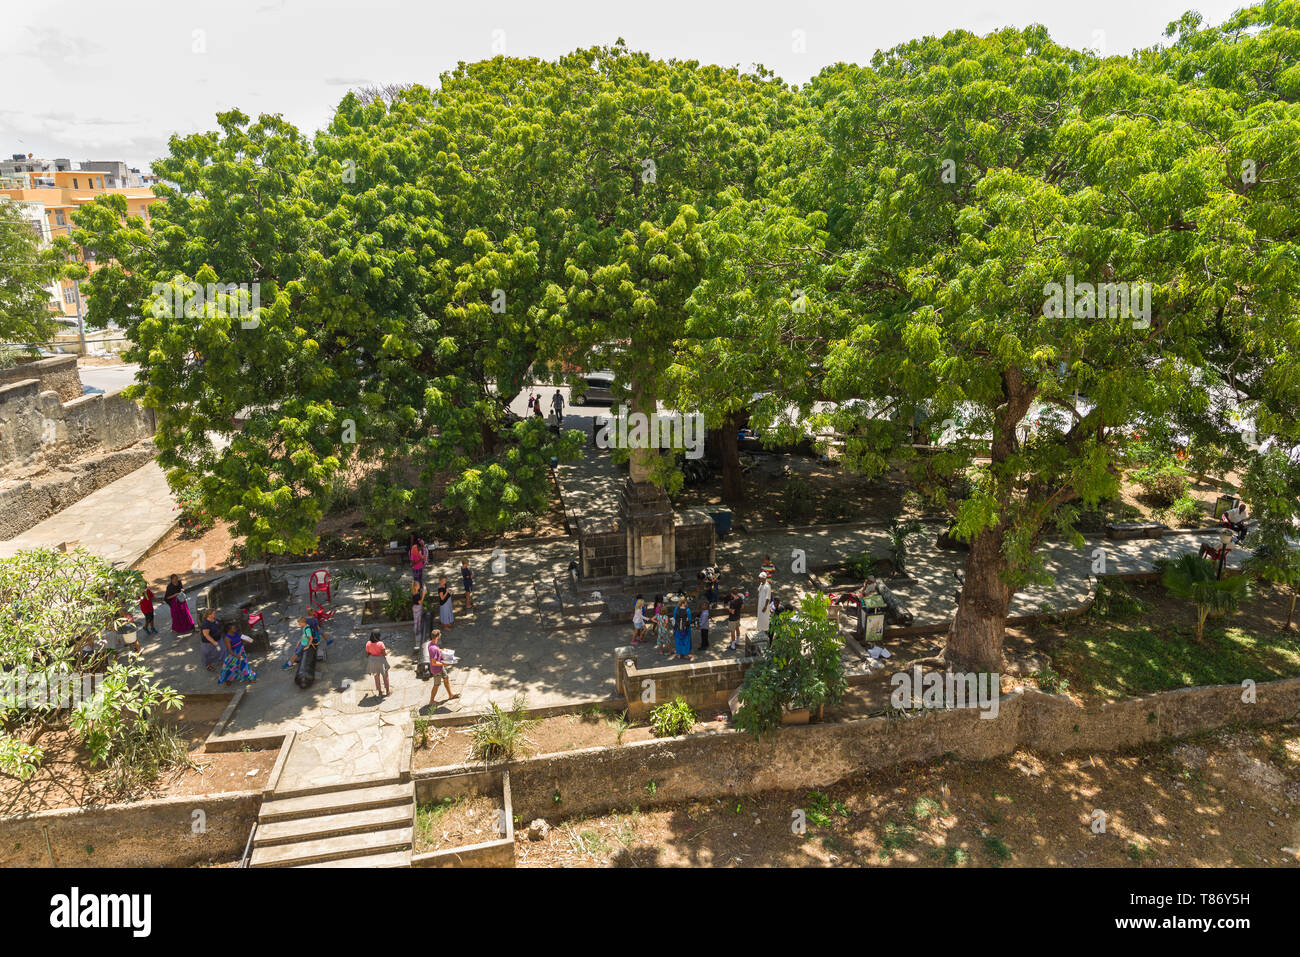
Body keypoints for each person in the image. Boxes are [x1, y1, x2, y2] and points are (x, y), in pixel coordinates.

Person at [218, 621, 258, 686]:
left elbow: (239, 640)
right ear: (229, 630)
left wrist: (246, 640)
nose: (236, 629)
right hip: (233, 654)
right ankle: (226, 679)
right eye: (234, 628)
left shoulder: (236, 633)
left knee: (244, 665)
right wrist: (237, 656)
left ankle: (250, 678)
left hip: (241, 652)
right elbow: (229, 650)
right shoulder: (227, 638)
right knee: (229, 668)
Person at [427, 629, 459, 706]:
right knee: (436, 685)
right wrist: (444, 664)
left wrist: (442, 650)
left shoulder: (432, 643)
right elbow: (433, 663)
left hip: (440, 667)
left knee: (446, 678)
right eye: (440, 634)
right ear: (437, 636)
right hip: (437, 670)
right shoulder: (433, 649)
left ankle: (450, 694)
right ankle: (431, 701)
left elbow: (437, 650)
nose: (441, 634)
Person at [365, 630, 392, 697]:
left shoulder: (368, 643)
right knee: (385, 676)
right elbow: (384, 654)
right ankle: (388, 691)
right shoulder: (380, 643)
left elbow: (367, 654)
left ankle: (380, 692)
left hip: (373, 662)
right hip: (381, 661)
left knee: (376, 677)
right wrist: (388, 651)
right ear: (378, 636)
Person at [755, 572, 773, 642]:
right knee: (760, 619)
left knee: (765, 620)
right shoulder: (761, 584)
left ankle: (766, 636)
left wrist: (765, 607)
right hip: (760, 605)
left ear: (763, 578)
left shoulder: (767, 586)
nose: (759, 579)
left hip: (764, 606)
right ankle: (761, 632)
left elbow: (767, 598)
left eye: (760, 578)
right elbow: (759, 592)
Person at [726, 588, 744, 652]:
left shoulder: (732, 602)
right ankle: (737, 641)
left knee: (732, 631)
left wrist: (728, 608)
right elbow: (742, 606)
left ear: (732, 594)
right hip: (738, 617)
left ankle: (733, 645)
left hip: (732, 618)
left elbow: (732, 611)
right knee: (737, 628)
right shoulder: (740, 599)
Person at [411, 580, 427, 653]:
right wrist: (423, 595)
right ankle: (417, 635)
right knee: (417, 621)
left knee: (417, 621)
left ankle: (417, 633)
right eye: (418, 585)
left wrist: (424, 589)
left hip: (416, 607)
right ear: (415, 586)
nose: (419, 586)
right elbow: (420, 602)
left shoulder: (415, 592)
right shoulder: (416, 594)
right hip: (417, 608)